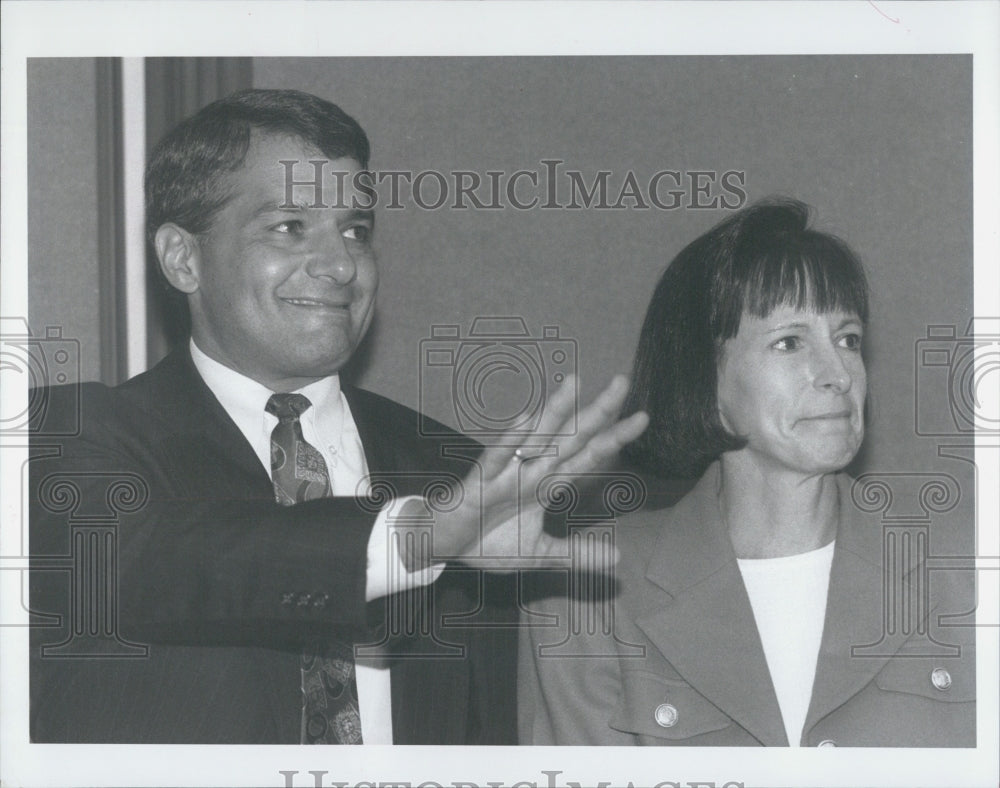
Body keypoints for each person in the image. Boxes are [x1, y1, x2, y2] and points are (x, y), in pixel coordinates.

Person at [28, 88, 647, 744]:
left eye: (355, 230)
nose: (342, 264)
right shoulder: (77, 437)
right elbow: (173, 561)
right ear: (183, 258)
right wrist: (417, 540)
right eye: (290, 227)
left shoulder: (455, 473)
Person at [518, 198, 975, 747]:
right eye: (790, 342)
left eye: (848, 339)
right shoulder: (588, 590)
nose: (838, 374)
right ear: (703, 382)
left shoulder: (966, 563)